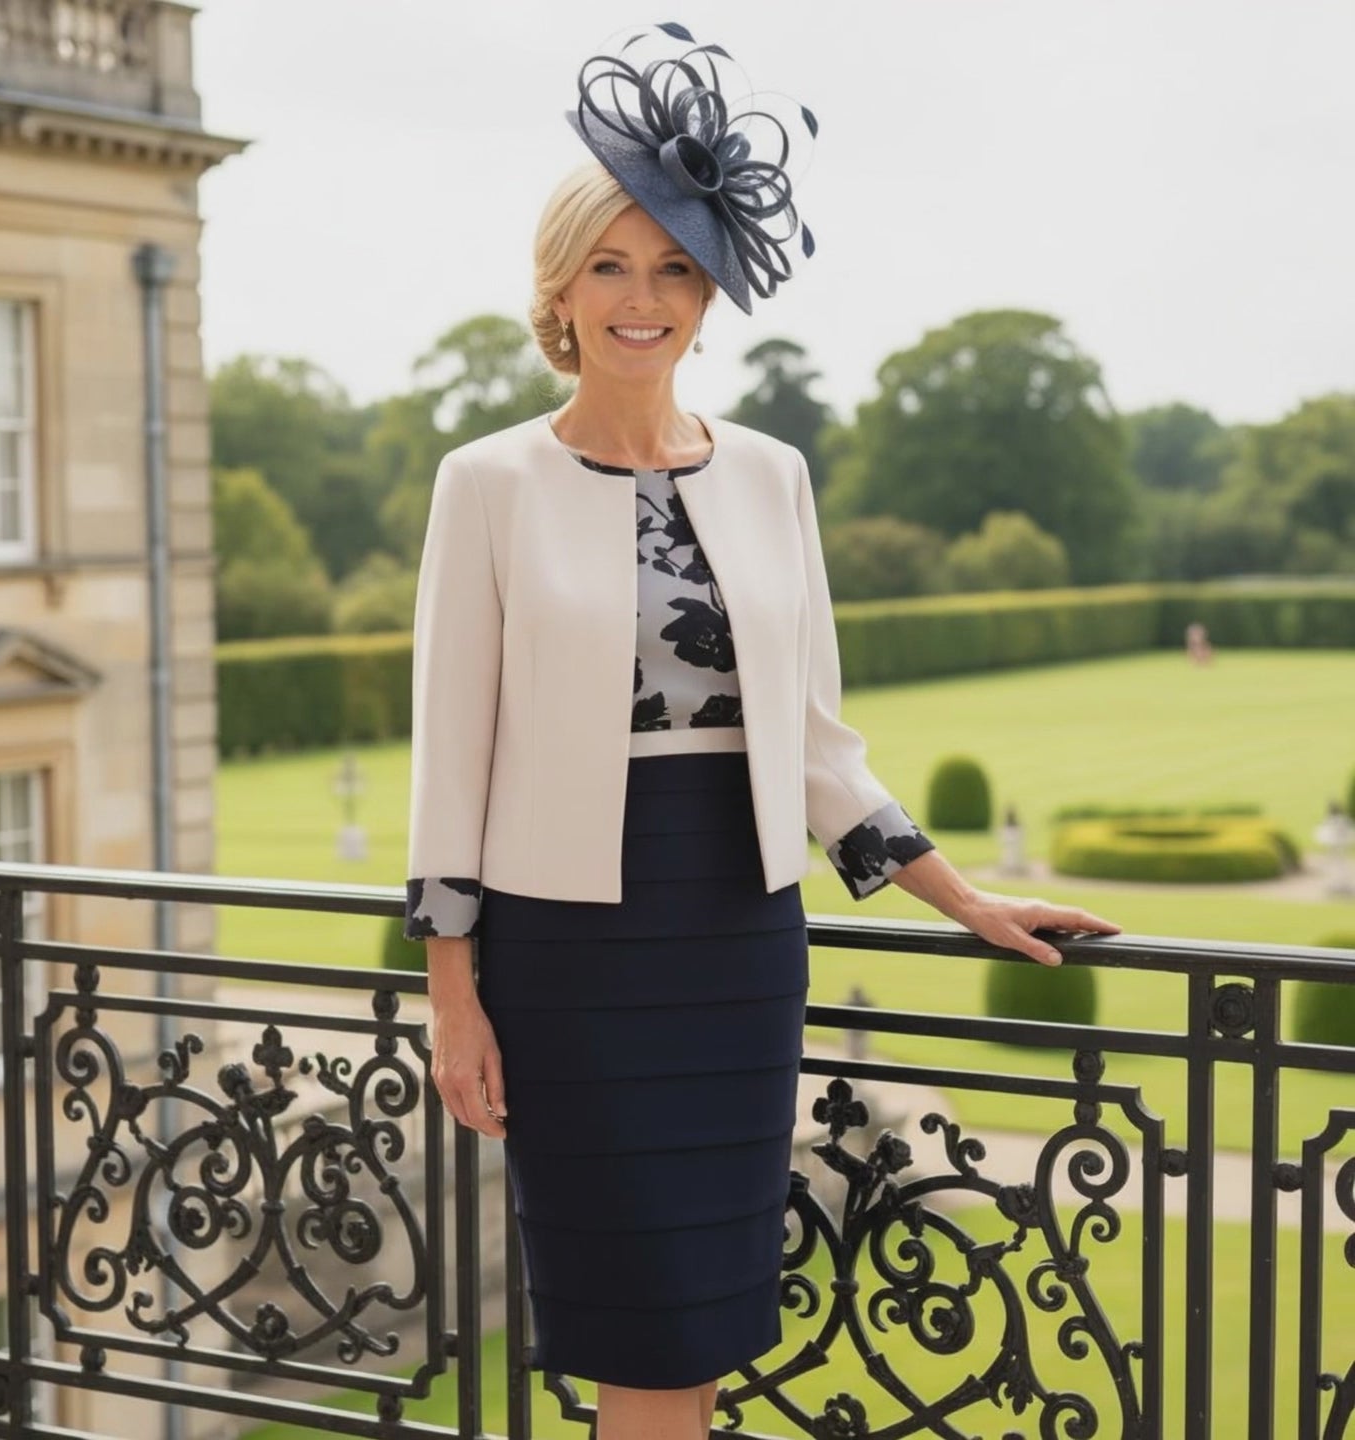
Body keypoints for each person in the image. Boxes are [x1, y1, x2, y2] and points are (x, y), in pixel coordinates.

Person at [402, 24, 1120, 1440]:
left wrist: (959, 896)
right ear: (560, 286)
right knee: (638, 1327)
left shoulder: (775, 476)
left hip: (737, 936)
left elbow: (811, 744)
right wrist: (454, 989)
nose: (642, 297)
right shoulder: (484, 483)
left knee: (707, 1314)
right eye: (610, 264)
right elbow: (452, 751)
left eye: (673, 266)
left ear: (709, 287)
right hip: (572, 948)